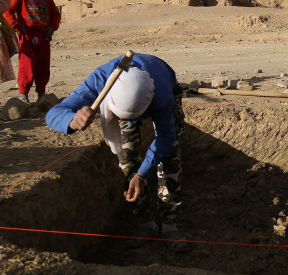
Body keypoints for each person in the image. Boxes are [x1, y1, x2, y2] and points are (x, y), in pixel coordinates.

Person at [45, 53, 189, 252]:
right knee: (127, 157)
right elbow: (53, 114)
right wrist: (70, 120)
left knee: (169, 155)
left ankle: (170, 222)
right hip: (122, 97)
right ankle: (145, 222)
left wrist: (142, 174)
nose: (126, 120)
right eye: (121, 117)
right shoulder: (100, 80)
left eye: (132, 117)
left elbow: (166, 137)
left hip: (161, 88)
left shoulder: (163, 93)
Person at [3, 0, 60, 104]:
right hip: (27, 36)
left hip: (44, 37)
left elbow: (55, 15)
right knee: (26, 65)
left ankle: (41, 93)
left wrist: (52, 27)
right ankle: (23, 95)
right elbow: (8, 12)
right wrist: (17, 26)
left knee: (43, 65)